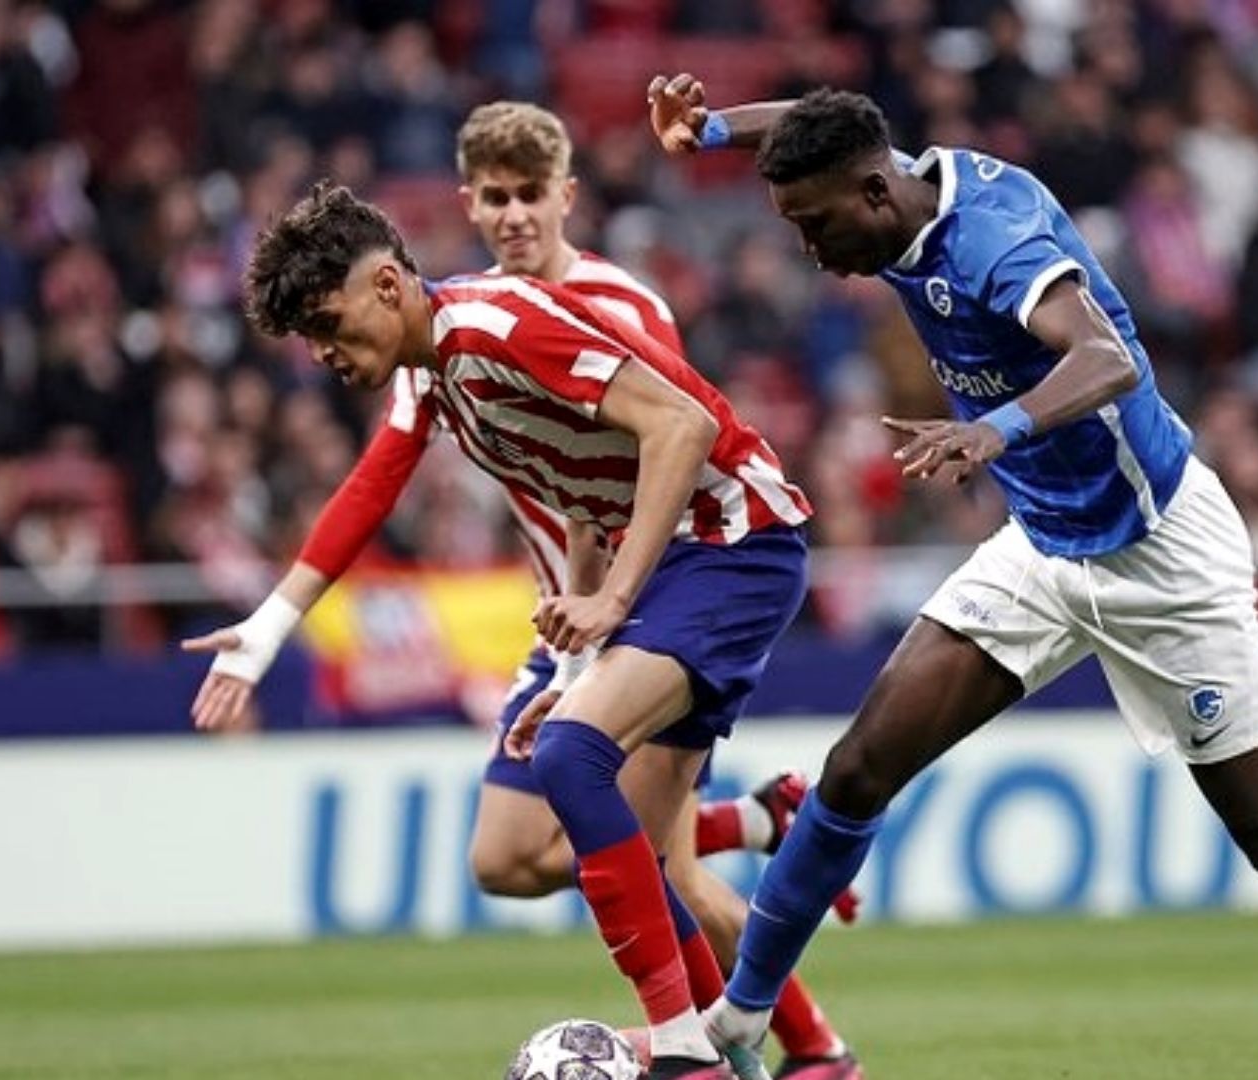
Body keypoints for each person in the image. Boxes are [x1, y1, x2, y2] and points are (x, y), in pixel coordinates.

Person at [643, 78, 1258, 1056]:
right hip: (1046, 541)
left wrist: (996, 430)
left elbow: (1110, 359)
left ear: (875, 198)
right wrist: (715, 129)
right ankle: (743, 1020)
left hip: (1160, 555)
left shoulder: (991, 245)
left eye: (814, 224)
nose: (808, 247)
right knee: (857, 771)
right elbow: (825, 119)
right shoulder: (890, 181)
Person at [184, 103, 860, 1080]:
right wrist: (582, 653)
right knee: (580, 830)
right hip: (674, 569)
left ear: (387, 284)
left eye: (328, 326)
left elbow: (680, 427)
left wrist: (609, 609)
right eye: (310, 340)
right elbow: (568, 493)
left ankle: (690, 1049)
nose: (325, 354)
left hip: (729, 547)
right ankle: (770, 1043)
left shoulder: (506, 325)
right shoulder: (445, 367)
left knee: (579, 765)